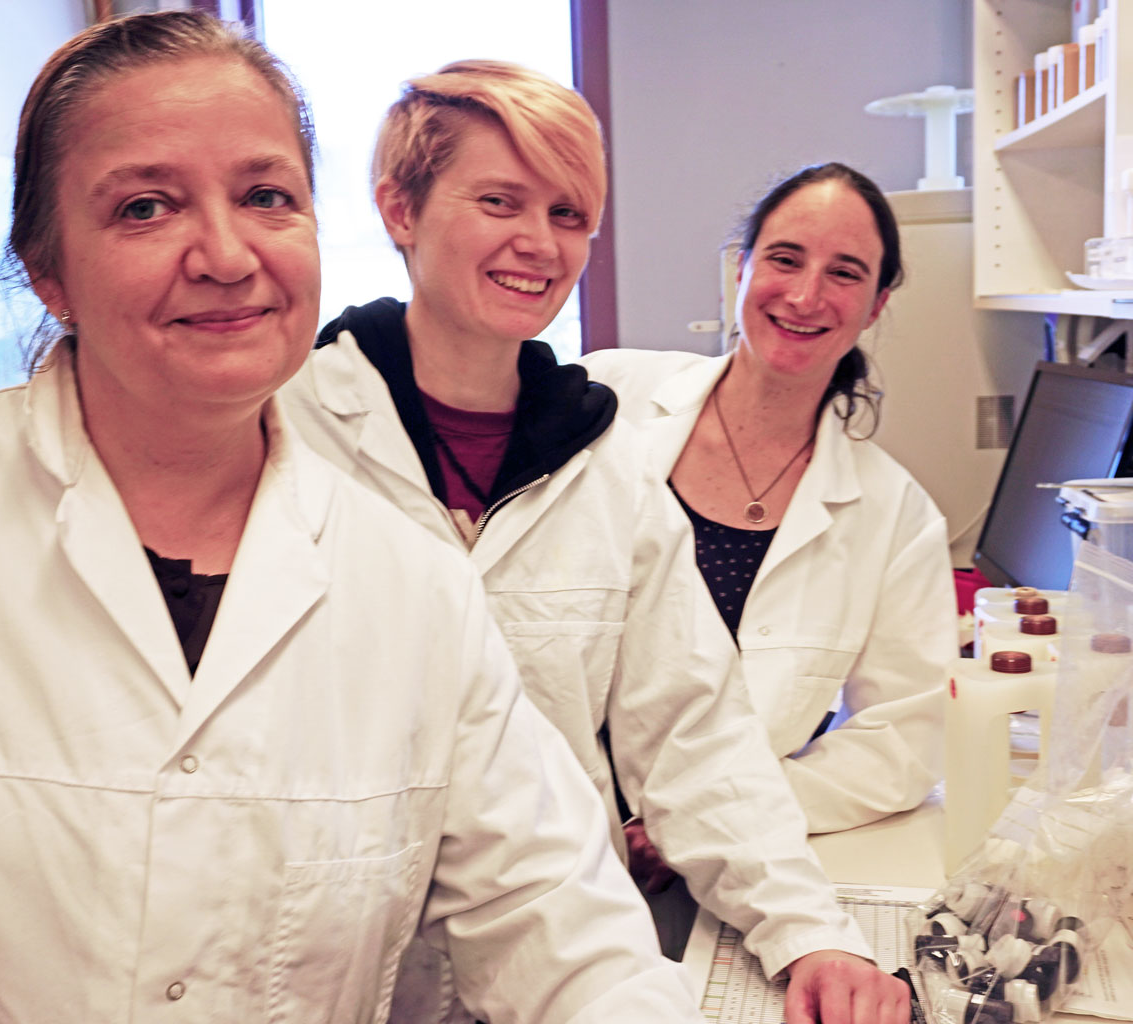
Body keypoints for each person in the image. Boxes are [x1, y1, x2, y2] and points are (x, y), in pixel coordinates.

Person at [0, 13, 706, 1022]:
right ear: (48, 268)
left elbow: (559, 924)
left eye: (267, 196)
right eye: (146, 207)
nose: (226, 255)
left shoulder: (414, 587)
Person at [279, 62, 909, 1024]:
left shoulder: (602, 461)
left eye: (570, 215)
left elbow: (691, 731)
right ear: (399, 209)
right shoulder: (288, 432)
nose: (539, 243)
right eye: (500, 201)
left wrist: (808, 932)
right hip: (332, 965)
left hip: (559, 959)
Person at [583, 163, 956, 835]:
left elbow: (902, 742)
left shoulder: (896, 517)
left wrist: (722, 816)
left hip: (718, 864)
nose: (806, 296)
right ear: (741, 269)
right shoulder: (605, 397)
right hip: (541, 832)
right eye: (785, 260)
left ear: (876, 304)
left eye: (844, 273)